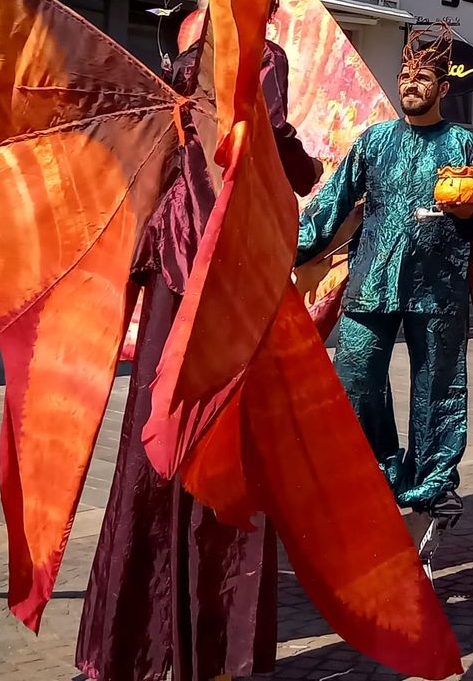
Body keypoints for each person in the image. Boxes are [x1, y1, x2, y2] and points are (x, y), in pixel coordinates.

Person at [79, 35, 319, 681]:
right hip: (222, 274)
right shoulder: (260, 59)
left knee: (157, 450)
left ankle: (134, 650)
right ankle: (206, 653)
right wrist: (302, 168)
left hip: (183, 267)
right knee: (216, 454)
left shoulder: (189, 61)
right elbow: (258, 149)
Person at [295, 23, 473, 541]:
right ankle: (383, 473)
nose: (410, 83)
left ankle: (431, 484)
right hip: (372, 285)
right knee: (356, 380)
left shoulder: (463, 145)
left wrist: (472, 208)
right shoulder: (374, 141)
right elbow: (332, 204)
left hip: (438, 291)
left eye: (422, 77)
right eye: (405, 75)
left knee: (438, 390)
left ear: (443, 88)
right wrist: (287, 244)